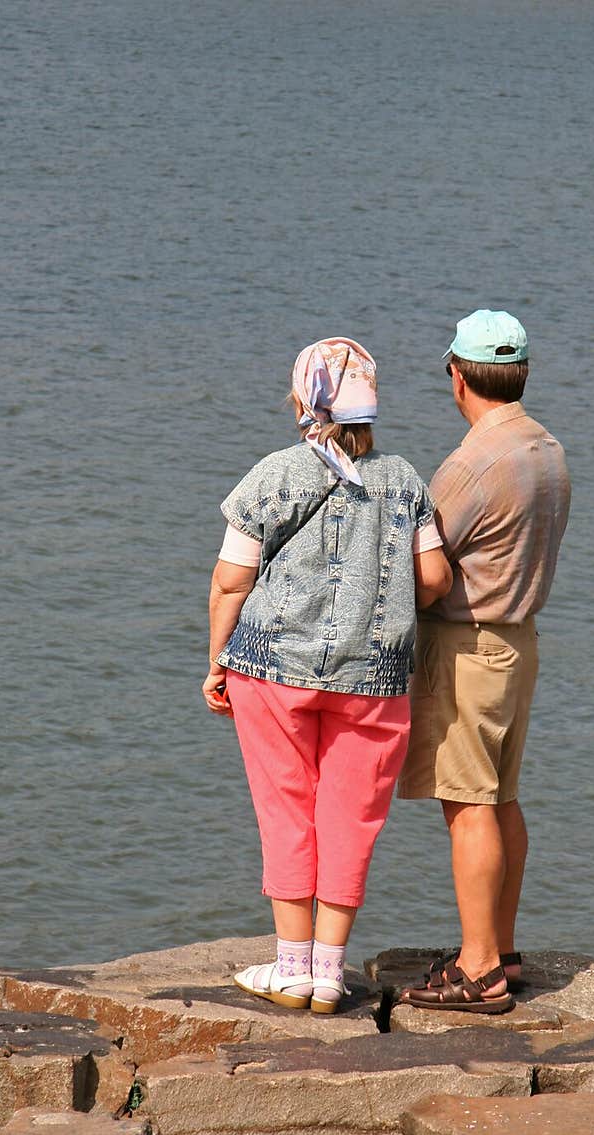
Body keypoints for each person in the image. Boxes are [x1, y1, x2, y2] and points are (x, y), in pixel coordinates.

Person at [202, 337, 452, 1015]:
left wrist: (217, 660)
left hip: (271, 670)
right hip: (374, 679)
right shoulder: (404, 480)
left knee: (286, 807)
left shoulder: (273, 475)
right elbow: (434, 579)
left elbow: (231, 582)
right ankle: (330, 972)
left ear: (301, 400)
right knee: (352, 817)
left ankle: (291, 966)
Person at [397, 309, 571, 1013]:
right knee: (500, 797)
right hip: (518, 639)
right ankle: (498, 947)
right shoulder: (546, 447)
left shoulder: (472, 463)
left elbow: (422, 558)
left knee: (466, 804)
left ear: (458, 376)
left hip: (468, 647)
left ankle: (479, 970)